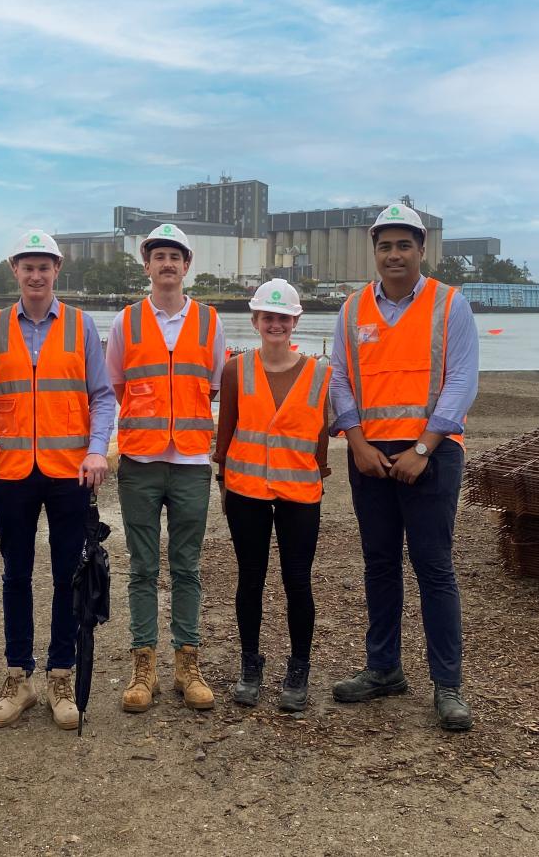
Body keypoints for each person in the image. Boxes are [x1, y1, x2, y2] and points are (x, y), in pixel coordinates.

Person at [328, 203, 479, 732]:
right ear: (375, 252)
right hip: (369, 454)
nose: (394, 254)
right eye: (385, 246)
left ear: (421, 250)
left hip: (432, 453)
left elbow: (461, 380)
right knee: (380, 562)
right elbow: (340, 379)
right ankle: (384, 668)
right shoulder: (351, 311)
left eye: (404, 245)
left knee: (434, 566)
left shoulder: (449, 305)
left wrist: (424, 447)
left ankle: (448, 684)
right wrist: (356, 441)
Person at [0, 230, 117, 730]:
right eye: (27, 267)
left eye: (45, 267)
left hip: (69, 472)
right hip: (13, 472)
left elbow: (102, 395)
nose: (36, 275)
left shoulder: (80, 327)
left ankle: (61, 672)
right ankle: (19, 676)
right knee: (14, 575)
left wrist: (98, 450)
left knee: (67, 577)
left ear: (57, 270)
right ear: (15, 270)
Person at [105, 223, 226, 712]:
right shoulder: (125, 323)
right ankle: (143, 665)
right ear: (147, 264)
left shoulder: (209, 321)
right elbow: (117, 384)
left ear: (187, 265)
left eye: (176, 256)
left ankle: (187, 663)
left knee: (187, 567)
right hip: (140, 460)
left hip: (192, 461)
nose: (168, 264)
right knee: (141, 567)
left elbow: (213, 384)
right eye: (159, 256)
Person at [213, 279, 330, 712]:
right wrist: (223, 481)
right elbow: (225, 433)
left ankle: (298, 667)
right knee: (251, 578)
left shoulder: (320, 373)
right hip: (246, 491)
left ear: (295, 320)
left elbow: (320, 437)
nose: (275, 324)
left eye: (283, 317)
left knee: (298, 581)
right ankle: (250, 664)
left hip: (300, 493)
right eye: (268, 317)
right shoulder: (235, 370)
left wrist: (319, 473)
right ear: (256, 321)